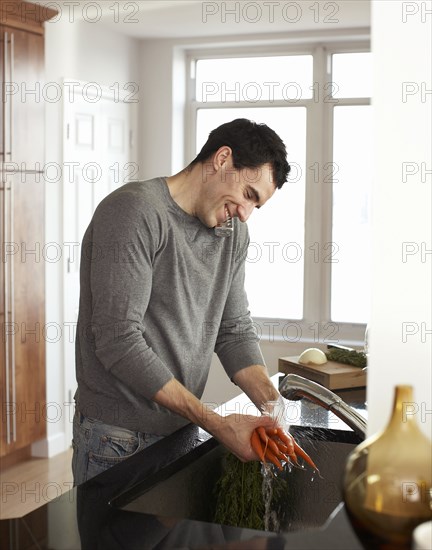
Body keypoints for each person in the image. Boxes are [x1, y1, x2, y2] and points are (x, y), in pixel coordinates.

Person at [72, 118, 291, 486]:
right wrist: (217, 424)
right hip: (117, 438)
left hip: (179, 431)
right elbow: (118, 341)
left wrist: (275, 410)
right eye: (249, 195)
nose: (245, 213)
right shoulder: (134, 213)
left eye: (257, 205)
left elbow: (233, 329)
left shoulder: (233, 233)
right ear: (222, 159)